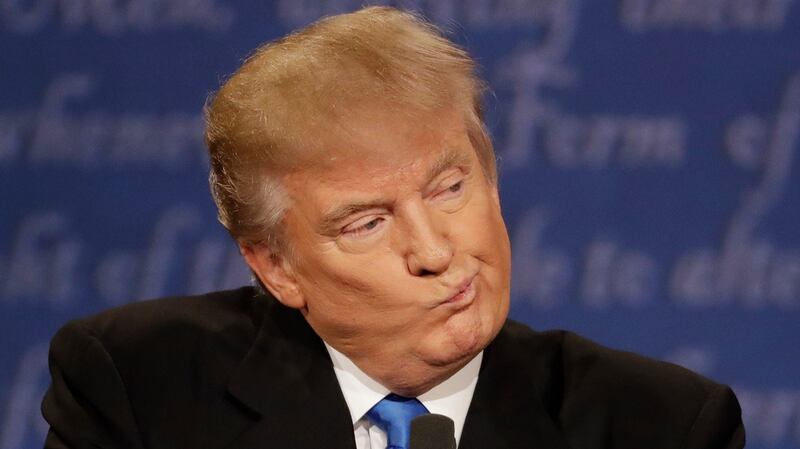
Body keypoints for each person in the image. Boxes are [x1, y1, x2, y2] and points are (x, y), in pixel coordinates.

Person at [41, 6, 744, 449]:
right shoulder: (138, 388)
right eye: (368, 222)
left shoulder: (662, 424)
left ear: (491, 176)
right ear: (276, 267)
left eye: (449, 187)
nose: (438, 250)